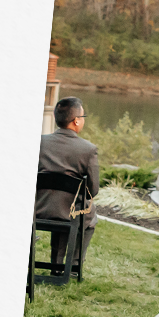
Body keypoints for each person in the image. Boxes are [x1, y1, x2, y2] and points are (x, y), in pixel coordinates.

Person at [37, 95, 101, 272]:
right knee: (89, 215)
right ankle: (73, 266)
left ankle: (56, 265)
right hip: (69, 212)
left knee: (61, 204)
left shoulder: (40, 142)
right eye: (83, 116)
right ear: (76, 121)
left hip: (38, 209)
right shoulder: (88, 149)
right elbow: (93, 190)